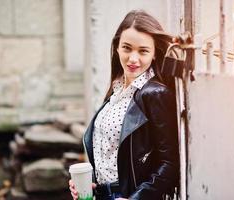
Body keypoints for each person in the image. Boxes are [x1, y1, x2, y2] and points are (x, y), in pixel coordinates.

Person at [69, 9, 180, 200]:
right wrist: (93, 185)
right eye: (127, 48)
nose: (133, 58)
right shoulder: (117, 89)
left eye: (143, 51)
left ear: (154, 54)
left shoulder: (155, 94)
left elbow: (169, 163)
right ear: (117, 47)